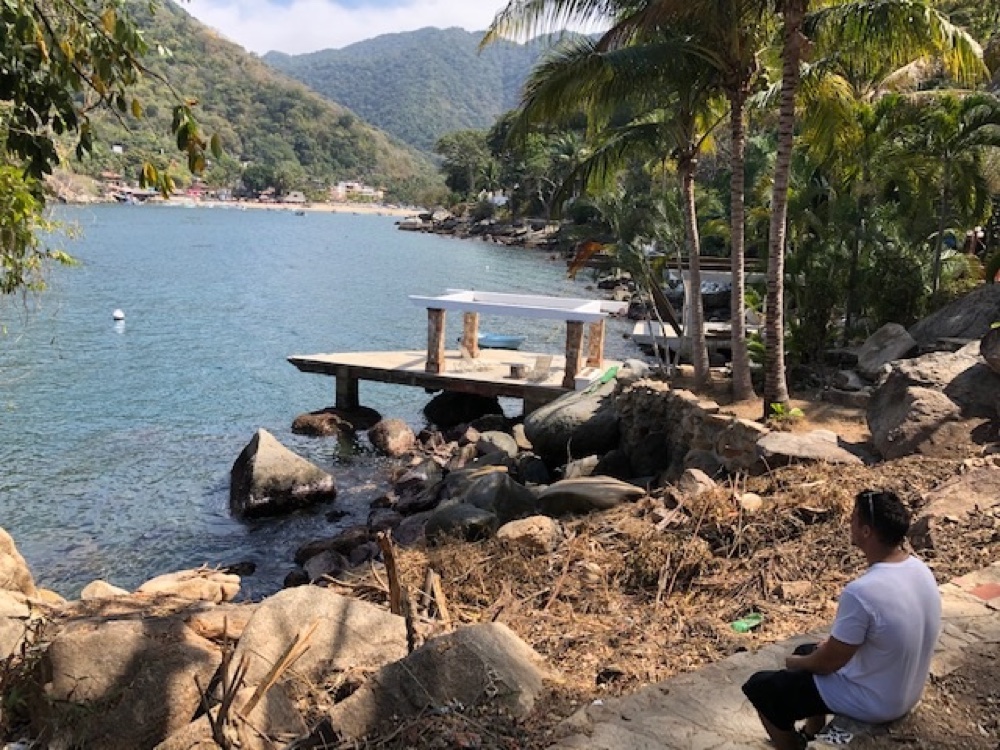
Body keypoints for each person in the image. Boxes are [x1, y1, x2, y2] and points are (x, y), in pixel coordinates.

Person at [741, 489, 942, 750]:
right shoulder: (919, 569)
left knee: (763, 688)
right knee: (807, 650)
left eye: (854, 518)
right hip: (905, 689)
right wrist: (817, 654)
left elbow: (827, 664)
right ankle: (812, 732)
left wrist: (794, 663)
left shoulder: (862, 592)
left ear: (867, 531)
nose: (849, 523)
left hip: (876, 701)